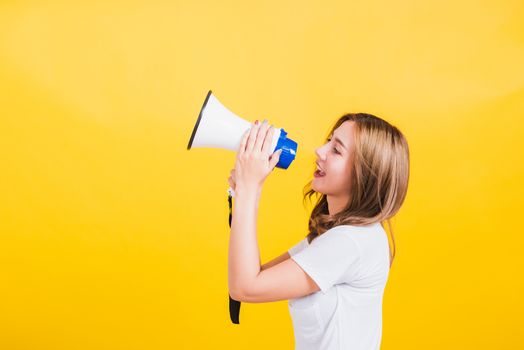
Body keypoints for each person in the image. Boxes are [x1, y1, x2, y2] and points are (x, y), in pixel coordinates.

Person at [227, 113, 410, 349]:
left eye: (336, 150)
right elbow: (253, 274)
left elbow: (245, 287)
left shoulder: (351, 241)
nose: (319, 151)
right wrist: (247, 193)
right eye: (328, 141)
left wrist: (249, 188)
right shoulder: (340, 235)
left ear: (364, 174)